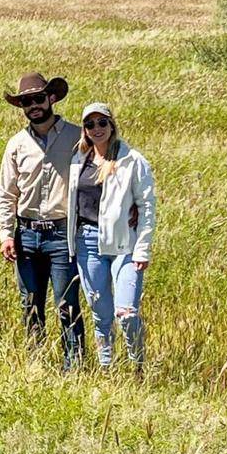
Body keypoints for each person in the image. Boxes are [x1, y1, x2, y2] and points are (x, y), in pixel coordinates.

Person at [0, 72, 85, 370]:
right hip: (27, 235)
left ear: (51, 98)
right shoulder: (17, 144)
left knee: (67, 304)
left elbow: (103, 169)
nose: (32, 106)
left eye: (37, 99)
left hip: (62, 234)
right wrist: (6, 234)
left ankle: (74, 367)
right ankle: (36, 364)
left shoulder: (77, 137)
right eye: (26, 102)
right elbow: (7, 192)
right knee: (30, 304)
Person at [66, 102, 155, 372]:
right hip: (88, 243)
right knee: (101, 315)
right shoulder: (79, 160)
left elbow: (147, 206)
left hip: (123, 244)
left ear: (111, 125)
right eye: (90, 124)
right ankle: (107, 369)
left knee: (126, 313)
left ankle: (137, 366)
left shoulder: (131, 160)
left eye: (102, 122)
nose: (97, 129)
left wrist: (143, 249)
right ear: (84, 130)